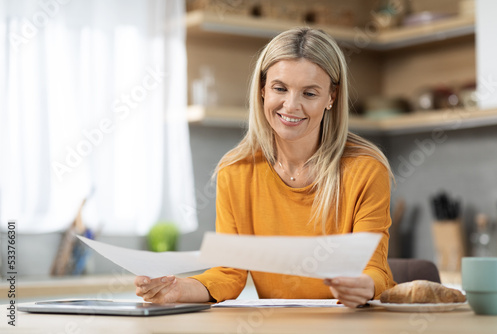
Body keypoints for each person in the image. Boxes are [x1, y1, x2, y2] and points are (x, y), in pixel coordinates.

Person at [135, 27, 395, 308]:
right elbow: (228, 273)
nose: (291, 105)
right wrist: (179, 290)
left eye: (309, 93)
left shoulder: (366, 169)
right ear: (262, 89)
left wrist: (362, 286)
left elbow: (374, 269)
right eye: (280, 88)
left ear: (331, 97)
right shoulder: (236, 171)